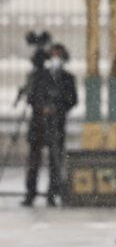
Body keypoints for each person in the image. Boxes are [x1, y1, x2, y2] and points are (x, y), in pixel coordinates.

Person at [22, 43, 77, 207]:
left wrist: (57, 108)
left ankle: (52, 194)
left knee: (55, 162)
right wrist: (42, 107)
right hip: (38, 125)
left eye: (59, 55)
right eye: (53, 55)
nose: (56, 59)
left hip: (57, 125)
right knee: (34, 161)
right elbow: (31, 97)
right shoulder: (39, 76)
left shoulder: (68, 78)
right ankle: (30, 193)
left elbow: (72, 100)